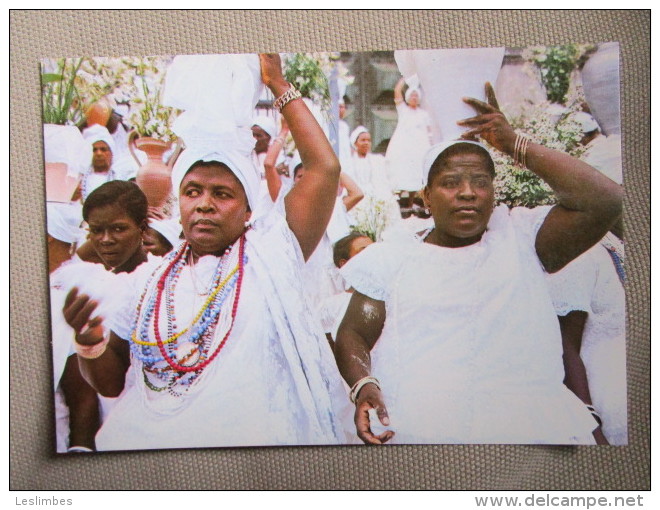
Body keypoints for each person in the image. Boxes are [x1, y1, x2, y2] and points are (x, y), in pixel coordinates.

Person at [61, 53, 348, 450]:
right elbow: (110, 383)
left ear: (249, 209)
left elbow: (324, 170)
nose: (205, 204)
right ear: (178, 202)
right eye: (193, 191)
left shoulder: (272, 254)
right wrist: (89, 342)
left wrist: (278, 84)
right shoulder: (148, 280)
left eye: (223, 193)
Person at [334, 83, 623, 445]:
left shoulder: (523, 237)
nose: (468, 192)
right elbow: (354, 332)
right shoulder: (393, 256)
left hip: (527, 427)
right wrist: (364, 384)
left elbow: (607, 202)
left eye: (480, 182)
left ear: (493, 192)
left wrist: (514, 145)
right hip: (420, 427)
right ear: (426, 196)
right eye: (451, 183)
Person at [49, 181, 152, 452]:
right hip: (105, 433)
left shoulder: (159, 281)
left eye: (118, 229)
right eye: (96, 230)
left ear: (142, 229)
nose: (105, 239)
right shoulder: (87, 285)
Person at [385, 77, 434, 212]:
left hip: (419, 147)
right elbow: (397, 93)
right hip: (404, 146)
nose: (414, 97)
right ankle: (399, 201)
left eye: (416, 95)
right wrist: (403, 79)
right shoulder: (403, 110)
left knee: (416, 172)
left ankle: (413, 202)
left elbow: (429, 131)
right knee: (401, 170)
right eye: (411, 95)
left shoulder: (424, 114)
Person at [318, 232, 374, 347]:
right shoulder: (330, 306)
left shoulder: (393, 297)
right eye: (364, 251)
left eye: (374, 250)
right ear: (345, 264)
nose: (373, 255)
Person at [73, 125, 118, 203]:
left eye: (103, 149)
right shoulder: (77, 181)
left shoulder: (120, 176)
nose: (99, 153)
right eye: (94, 150)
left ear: (111, 153)